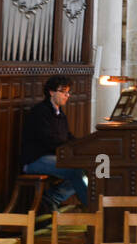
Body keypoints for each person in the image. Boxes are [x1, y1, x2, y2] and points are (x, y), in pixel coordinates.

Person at [21, 75, 89, 210]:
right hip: (35, 160)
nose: (67, 95)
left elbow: (67, 136)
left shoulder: (60, 113)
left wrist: (81, 147)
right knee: (75, 170)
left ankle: (52, 198)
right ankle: (92, 207)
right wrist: (71, 152)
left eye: (68, 92)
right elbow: (47, 141)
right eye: (64, 92)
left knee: (86, 168)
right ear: (51, 92)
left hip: (54, 156)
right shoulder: (40, 112)